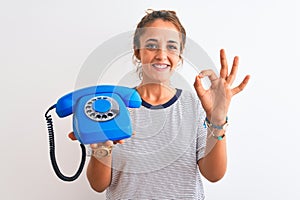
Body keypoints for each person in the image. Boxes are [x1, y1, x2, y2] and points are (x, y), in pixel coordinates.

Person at [69, 9, 250, 199]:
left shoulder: (193, 106)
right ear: (138, 52)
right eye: (152, 45)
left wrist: (217, 119)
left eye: (171, 46)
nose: (162, 55)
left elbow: (214, 174)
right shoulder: (113, 107)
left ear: (180, 55)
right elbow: (98, 185)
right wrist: (102, 147)